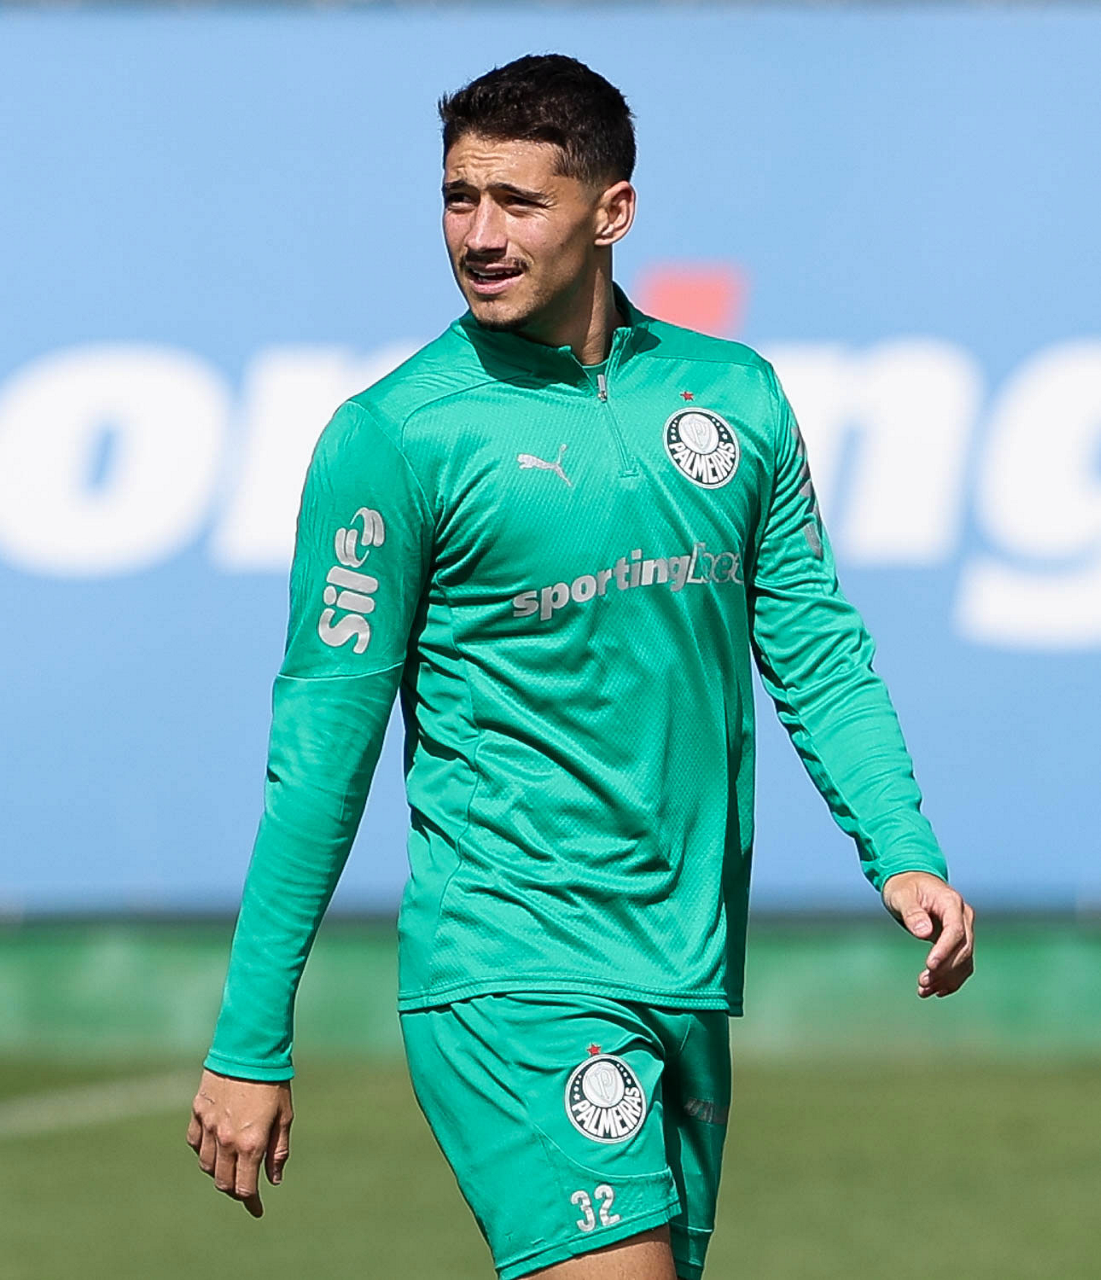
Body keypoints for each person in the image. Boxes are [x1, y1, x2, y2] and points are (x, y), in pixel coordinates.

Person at [187, 53, 975, 1280]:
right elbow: (321, 752)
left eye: (520, 202)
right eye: (460, 198)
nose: (480, 235)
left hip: (687, 965)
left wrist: (903, 845)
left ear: (613, 211)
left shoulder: (736, 396)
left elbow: (817, 649)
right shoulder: (393, 436)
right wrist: (250, 1035)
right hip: (510, 963)